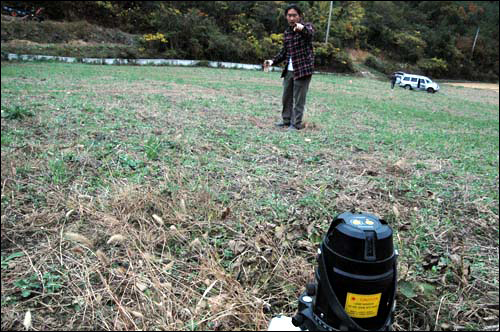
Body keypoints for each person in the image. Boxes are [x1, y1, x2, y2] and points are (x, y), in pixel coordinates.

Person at [264, 4, 314, 131]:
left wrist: (301, 29)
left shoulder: (307, 27)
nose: (292, 18)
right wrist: (272, 61)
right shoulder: (287, 32)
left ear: (299, 16)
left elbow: (309, 34)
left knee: (298, 100)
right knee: (286, 97)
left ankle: (296, 124)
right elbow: (284, 52)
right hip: (289, 71)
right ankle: (286, 120)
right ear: (286, 17)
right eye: (289, 15)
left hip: (302, 70)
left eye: (294, 15)